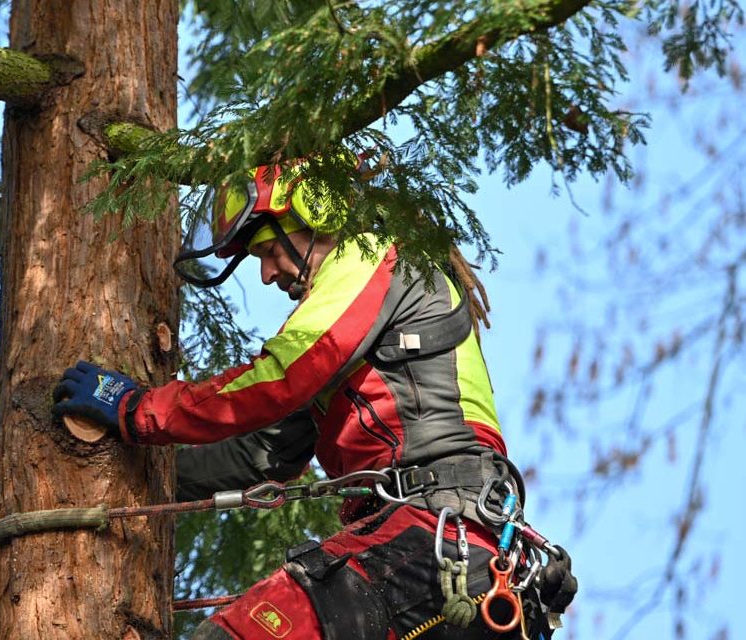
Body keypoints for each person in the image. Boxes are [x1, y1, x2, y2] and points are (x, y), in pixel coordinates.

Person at [52, 162, 576, 639]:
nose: (267, 274)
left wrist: (138, 409)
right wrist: (146, 472)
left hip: (435, 541)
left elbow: (281, 376)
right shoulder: (345, 339)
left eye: (267, 250)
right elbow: (261, 455)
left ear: (316, 212)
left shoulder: (376, 255)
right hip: (439, 558)